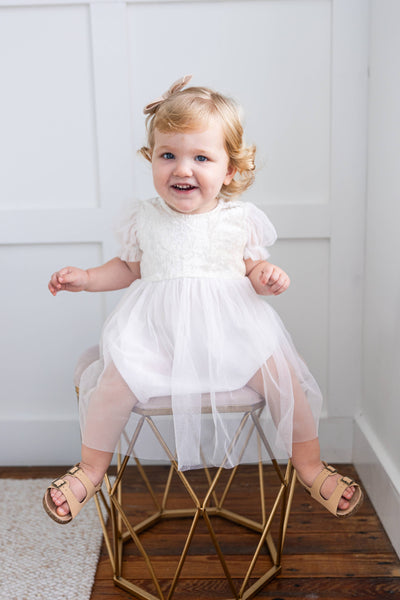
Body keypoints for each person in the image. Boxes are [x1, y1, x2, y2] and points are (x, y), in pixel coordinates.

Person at [43, 76, 363, 524]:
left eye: (201, 157)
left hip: (231, 337)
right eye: (168, 155)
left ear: (229, 169)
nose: (182, 169)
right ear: (151, 158)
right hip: (157, 341)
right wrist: (86, 278)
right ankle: (91, 470)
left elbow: (252, 269)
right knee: (111, 387)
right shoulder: (145, 218)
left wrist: (265, 277)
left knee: (286, 382)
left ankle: (310, 465)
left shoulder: (239, 219)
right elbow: (130, 268)